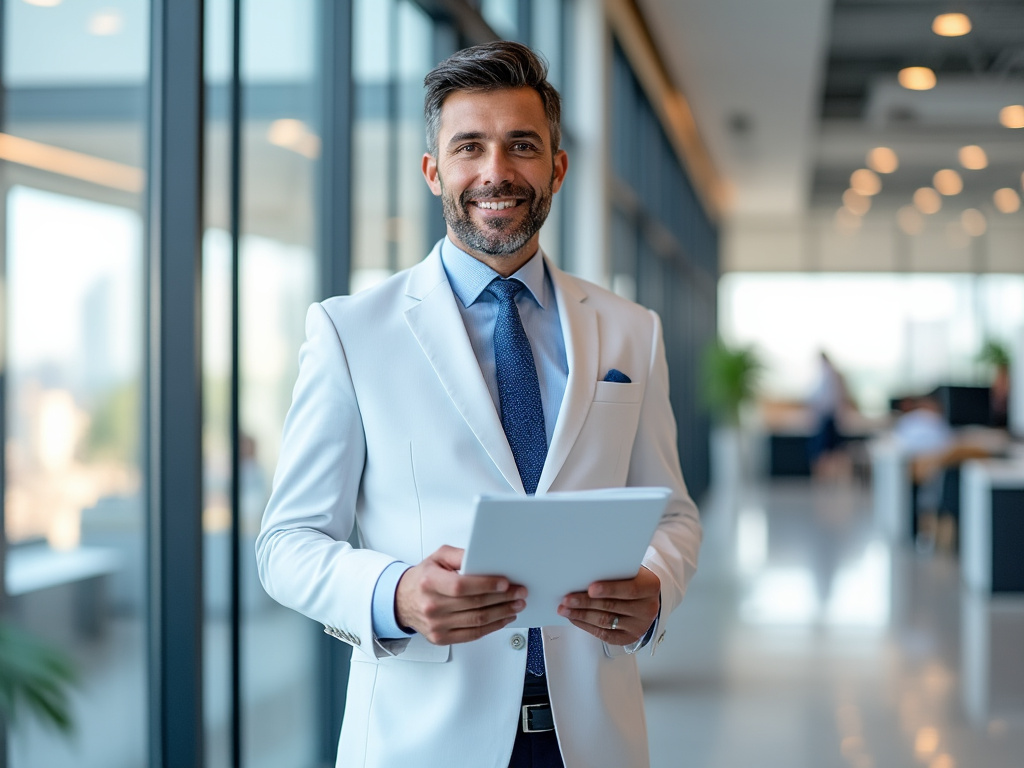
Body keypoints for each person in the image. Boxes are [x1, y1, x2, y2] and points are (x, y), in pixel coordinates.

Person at [256, 41, 701, 768]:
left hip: (592, 736)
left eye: (522, 146)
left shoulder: (631, 330)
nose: (497, 171)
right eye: (470, 147)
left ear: (556, 168)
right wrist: (394, 594)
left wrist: (657, 586)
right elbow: (286, 545)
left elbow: (674, 514)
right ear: (435, 171)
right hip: (419, 739)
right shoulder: (350, 331)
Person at [807, 350, 853, 479]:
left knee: (828, 451)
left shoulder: (830, 375)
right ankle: (830, 478)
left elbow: (829, 399)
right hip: (829, 417)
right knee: (832, 450)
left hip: (829, 417)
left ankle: (829, 477)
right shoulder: (829, 375)